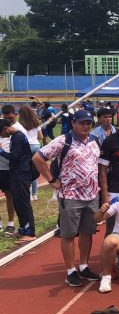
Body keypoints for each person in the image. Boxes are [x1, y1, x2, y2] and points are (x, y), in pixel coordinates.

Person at [33, 110, 101, 287]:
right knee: (69, 234)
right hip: (71, 196)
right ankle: (71, 270)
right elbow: (38, 158)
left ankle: (84, 266)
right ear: (73, 123)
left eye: (88, 123)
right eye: (82, 123)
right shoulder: (63, 141)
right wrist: (51, 180)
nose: (86, 126)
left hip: (92, 195)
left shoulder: (94, 141)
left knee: (87, 232)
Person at [0, 119, 35, 244]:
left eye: (1, 134)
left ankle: (30, 232)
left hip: (21, 174)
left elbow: (14, 157)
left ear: (5, 128)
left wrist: (1, 152)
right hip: (16, 174)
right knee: (18, 203)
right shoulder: (16, 136)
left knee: (23, 203)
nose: (2, 137)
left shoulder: (18, 137)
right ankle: (23, 229)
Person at [17, 106, 44, 201]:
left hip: (26, 147)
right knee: (34, 171)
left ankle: (28, 194)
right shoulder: (36, 122)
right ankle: (35, 194)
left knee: (26, 171)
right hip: (36, 146)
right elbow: (40, 137)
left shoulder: (20, 125)